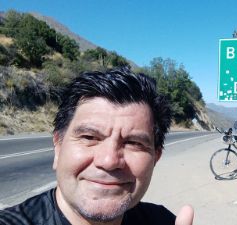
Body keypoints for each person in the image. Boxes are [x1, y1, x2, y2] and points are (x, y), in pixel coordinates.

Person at [0, 68, 194, 225]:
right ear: (58, 147)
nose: (109, 161)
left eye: (133, 143)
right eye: (89, 137)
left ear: (155, 158)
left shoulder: (162, 221)